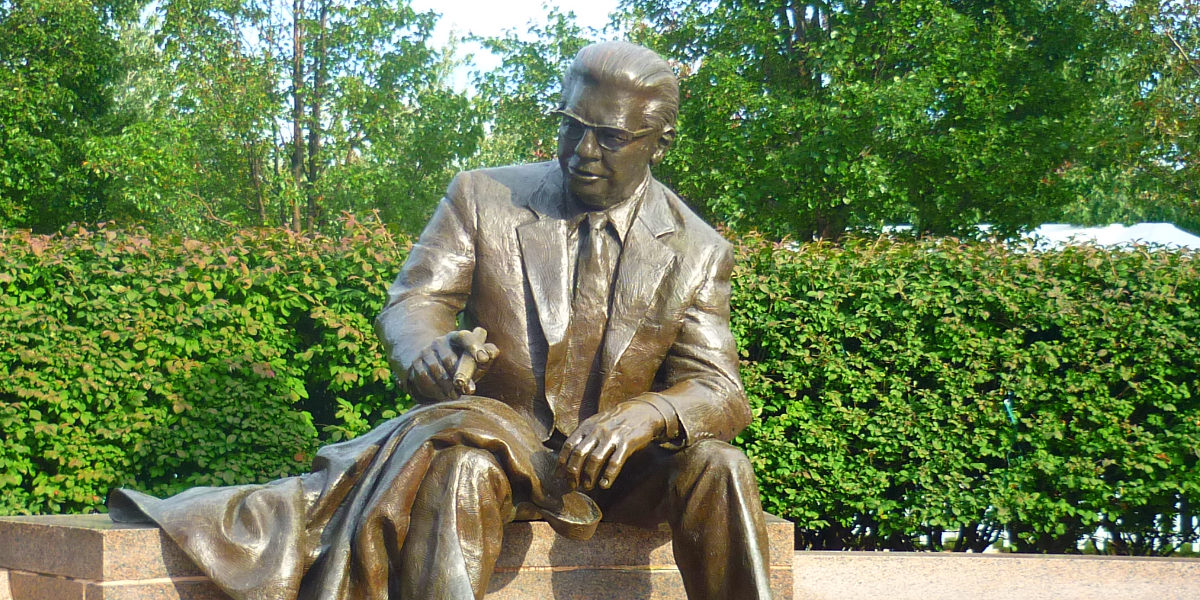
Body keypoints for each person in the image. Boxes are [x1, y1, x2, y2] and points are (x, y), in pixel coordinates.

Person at [109, 41, 771, 600]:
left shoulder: (697, 248)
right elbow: (414, 302)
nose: (582, 150)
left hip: (617, 468)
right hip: (499, 446)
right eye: (571, 125)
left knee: (722, 468)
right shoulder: (484, 197)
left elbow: (720, 389)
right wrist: (429, 349)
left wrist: (646, 416)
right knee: (461, 472)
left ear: (660, 142)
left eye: (610, 136)